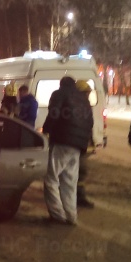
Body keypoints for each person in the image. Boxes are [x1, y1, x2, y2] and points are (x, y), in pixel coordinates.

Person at [41, 76, 93, 225]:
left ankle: (57, 215)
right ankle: (71, 216)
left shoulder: (59, 94)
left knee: (51, 178)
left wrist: (46, 130)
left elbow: (54, 113)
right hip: (78, 146)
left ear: (61, 84)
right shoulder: (83, 99)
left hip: (62, 141)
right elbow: (90, 122)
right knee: (69, 181)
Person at [75, 79, 95, 208]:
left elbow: (89, 125)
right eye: (86, 92)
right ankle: (78, 197)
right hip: (78, 144)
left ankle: (77, 196)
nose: (88, 95)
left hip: (82, 143)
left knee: (81, 171)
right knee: (80, 171)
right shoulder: (78, 105)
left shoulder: (84, 104)